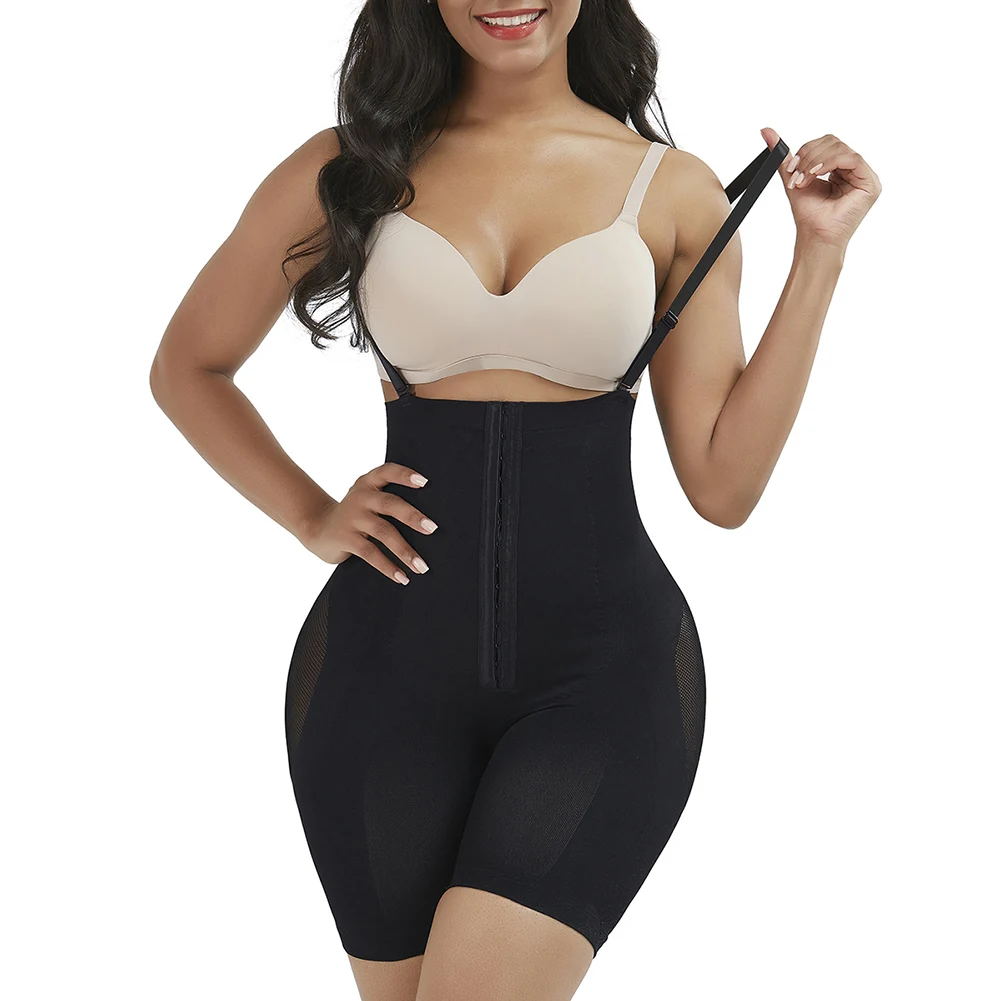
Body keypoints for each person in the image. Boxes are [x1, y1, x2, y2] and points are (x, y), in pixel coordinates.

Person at [149, 1, 880, 998]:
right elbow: (188, 366)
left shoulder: (669, 188)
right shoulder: (348, 168)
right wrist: (313, 514)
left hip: (603, 675)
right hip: (380, 670)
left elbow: (722, 482)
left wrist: (819, 253)